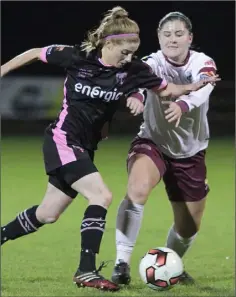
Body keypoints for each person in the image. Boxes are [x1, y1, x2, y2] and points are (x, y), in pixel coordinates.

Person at [1, 7, 218, 292]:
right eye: (125, 52)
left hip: (85, 147)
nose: (129, 59)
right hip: (63, 140)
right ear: (108, 43)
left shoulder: (133, 69)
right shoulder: (77, 57)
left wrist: (194, 85)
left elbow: (167, 90)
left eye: (133, 53)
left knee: (47, 213)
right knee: (101, 195)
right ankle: (86, 270)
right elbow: (34, 52)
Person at [112, 11, 219, 287]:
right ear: (159, 38)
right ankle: (121, 263)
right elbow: (138, 82)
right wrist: (135, 97)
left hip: (191, 152)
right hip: (152, 142)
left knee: (188, 227)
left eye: (178, 33)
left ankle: (172, 264)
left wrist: (183, 104)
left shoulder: (202, 61)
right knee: (137, 189)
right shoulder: (152, 62)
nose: (172, 39)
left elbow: (206, 84)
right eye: (166, 34)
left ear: (190, 38)